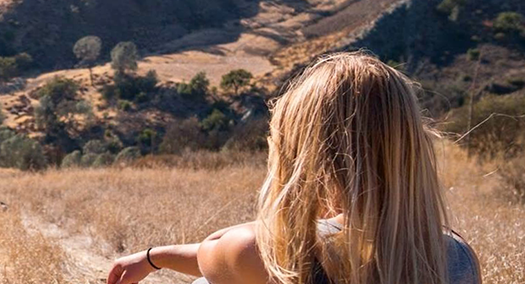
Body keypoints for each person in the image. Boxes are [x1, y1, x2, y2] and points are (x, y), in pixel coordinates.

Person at [105, 52, 481, 284]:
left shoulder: (267, 252)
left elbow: (218, 249)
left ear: (305, 153)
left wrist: (154, 258)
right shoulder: (456, 255)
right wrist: (154, 258)